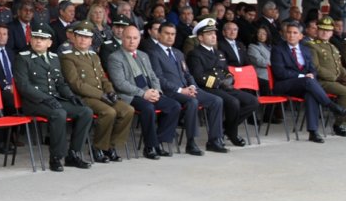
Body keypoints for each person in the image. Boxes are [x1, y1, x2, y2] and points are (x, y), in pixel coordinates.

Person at [14, 21, 93, 172]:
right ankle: (56, 158)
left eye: (42, 39)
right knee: (59, 113)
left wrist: (71, 96)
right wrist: (46, 98)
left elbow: (60, 83)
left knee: (86, 111)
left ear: (49, 43)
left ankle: (73, 154)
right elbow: (24, 86)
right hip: (34, 101)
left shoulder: (54, 58)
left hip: (54, 100)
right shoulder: (23, 58)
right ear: (30, 40)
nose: (38, 41)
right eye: (35, 37)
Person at [60, 21, 134, 163]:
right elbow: (76, 84)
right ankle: (97, 147)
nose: (83, 40)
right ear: (74, 38)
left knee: (127, 110)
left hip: (102, 95)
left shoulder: (94, 56)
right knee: (109, 112)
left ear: (91, 40)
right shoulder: (68, 57)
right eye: (80, 36)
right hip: (85, 97)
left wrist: (110, 91)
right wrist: (101, 95)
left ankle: (109, 146)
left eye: (86, 37)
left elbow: (102, 78)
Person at [149, 22, 227, 155]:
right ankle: (191, 142)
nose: (170, 37)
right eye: (167, 34)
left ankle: (214, 140)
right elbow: (158, 78)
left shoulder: (178, 53)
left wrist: (192, 86)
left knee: (217, 101)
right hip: (171, 92)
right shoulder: (153, 53)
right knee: (192, 102)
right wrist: (180, 90)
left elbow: (187, 73)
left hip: (187, 89)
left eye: (173, 34)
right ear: (159, 34)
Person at [107, 25, 181, 158]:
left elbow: (153, 76)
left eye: (135, 38)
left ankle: (158, 141)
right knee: (148, 108)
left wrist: (157, 91)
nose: (131, 41)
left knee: (174, 106)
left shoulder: (143, 55)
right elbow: (120, 84)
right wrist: (143, 94)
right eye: (128, 38)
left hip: (149, 92)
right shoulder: (115, 57)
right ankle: (150, 146)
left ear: (139, 39)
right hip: (130, 95)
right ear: (122, 38)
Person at [271, 21, 346, 143]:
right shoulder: (278, 49)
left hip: (303, 84)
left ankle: (313, 132)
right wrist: (303, 76)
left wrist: (311, 75)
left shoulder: (305, 49)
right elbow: (279, 72)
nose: (291, 35)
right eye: (288, 32)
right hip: (284, 85)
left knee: (311, 94)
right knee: (308, 81)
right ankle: (331, 106)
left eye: (294, 33)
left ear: (300, 36)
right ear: (284, 34)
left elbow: (313, 69)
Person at [187, 18, 259, 147]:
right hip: (209, 88)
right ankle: (231, 133)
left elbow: (226, 71)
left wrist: (230, 79)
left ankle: (228, 129)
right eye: (209, 34)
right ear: (200, 38)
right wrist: (219, 82)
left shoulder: (219, 53)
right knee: (233, 102)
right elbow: (199, 77)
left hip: (225, 87)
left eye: (214, 33)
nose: (213, 36)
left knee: (253, 101)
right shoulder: (195, 54)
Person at [247, 26, 272, 95]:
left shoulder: (269, 46)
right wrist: (275, 62)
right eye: (259, 33)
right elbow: (260, 61)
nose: (262, 36)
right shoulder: (252, 46)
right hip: (261, 75)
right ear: (256, 34)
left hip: (272, 73)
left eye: (264, 34)